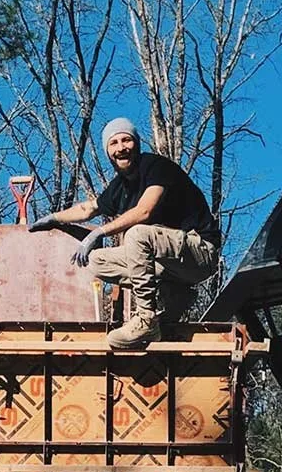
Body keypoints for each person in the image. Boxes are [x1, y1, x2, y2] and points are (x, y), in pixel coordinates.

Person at [28, 116, 221, 348]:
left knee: (137, 235)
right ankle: (175, 292)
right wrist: (53, 218)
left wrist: (99, 232)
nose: (121, 148)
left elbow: (144, 211)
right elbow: (89, 208)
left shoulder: (156, 167)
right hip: (171, 263)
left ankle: (146, 320)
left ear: (137, 144)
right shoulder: (119, 188)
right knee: (96, 261)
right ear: (108, 151)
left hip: (199, 253)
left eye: (126, 140)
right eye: (114, 143)